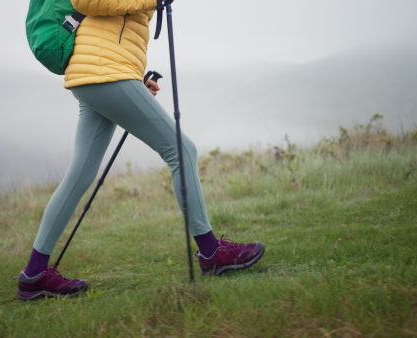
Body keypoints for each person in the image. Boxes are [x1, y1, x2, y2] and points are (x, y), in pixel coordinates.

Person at [15, 0, 265, 301]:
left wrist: (135, 79)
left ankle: (34, 275)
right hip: (104, 72)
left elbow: (116, 29)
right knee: (182, 151)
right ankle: (212, 252)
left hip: (101, 73)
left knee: (79, 176)